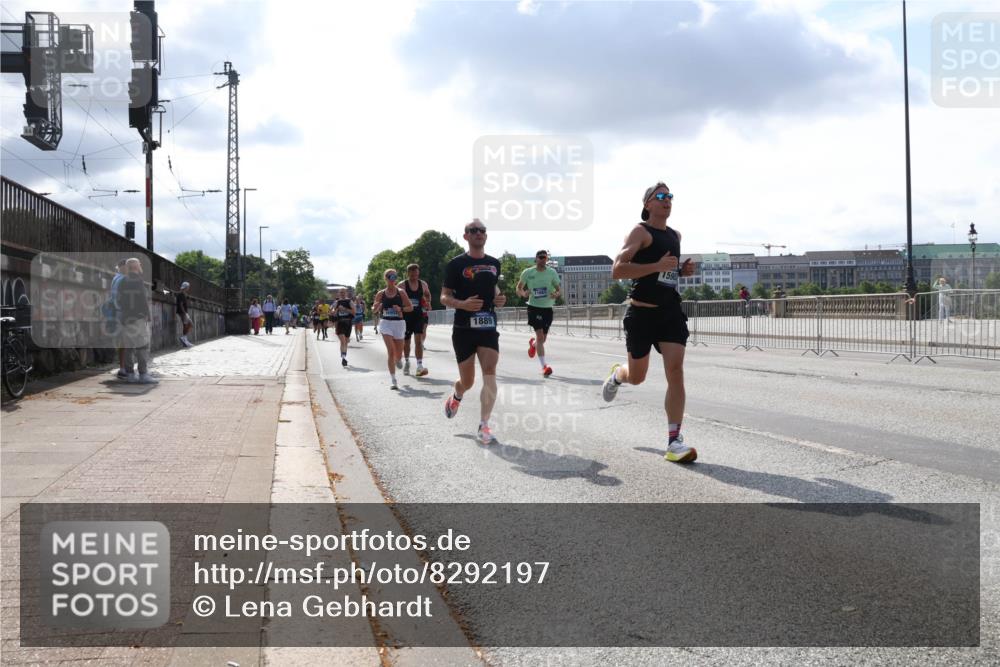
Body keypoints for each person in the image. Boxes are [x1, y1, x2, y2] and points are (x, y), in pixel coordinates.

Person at [601, 182, 697, 464]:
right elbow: (617, 270)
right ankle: (619, 374)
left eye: (670, 196)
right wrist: (657, 266)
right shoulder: (640, 231)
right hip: (641, 314)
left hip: (670, 312)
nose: (667, 201)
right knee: (638, 376)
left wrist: (682, 270)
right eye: (661, 196)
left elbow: (668, 272)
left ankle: (674, 441)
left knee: (676, 370)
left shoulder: (675, 235)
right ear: (647, 205)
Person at [441, 219, 507, 444]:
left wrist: (499, 298)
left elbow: (493, 288)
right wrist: (462, 304)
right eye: (473, 230)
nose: (478, 233)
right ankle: (457, 395)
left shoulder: (494, 263)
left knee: (490, 370)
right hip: (463, 329)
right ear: (466, 236)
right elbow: (444, 296)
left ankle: (484, 425)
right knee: (467, 381)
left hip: (488, 325)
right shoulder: (456, 264)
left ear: (486, 236)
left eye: (482, 230)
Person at [516, 249, 561, 377]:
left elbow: (559, 290)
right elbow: (519, 287)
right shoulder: (528, 272)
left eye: (545, 257)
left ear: (547, 259)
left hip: (547, 308)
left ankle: (533, 345)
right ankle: (544, 366)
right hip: (534, 307)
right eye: (540, 257)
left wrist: (556, 294)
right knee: (540, 336)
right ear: (536, 259)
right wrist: (523, 293)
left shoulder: (552, 272)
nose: (542, 259)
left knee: (543, 339)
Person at [117, 258, 158, 384]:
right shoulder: (138, 280)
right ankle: (143, 374)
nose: (141, 266)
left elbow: (119, 299)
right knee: (142, 346)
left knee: (129, 347)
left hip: (126, 318)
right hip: (138, 318)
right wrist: (147, 314)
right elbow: (142, 299)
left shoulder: (122, 281)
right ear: (135, 266)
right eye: (140, 264)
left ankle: (130, 374)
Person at [373, 269, 413, 389]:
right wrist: (377, 307)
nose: (393, 279)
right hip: (386, 323)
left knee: (398, 354)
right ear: (386, 278)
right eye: (390, 276)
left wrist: (400, 309)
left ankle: (398, 359)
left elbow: (410, 307)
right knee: (390, 351)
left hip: (399, 324)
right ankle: (393, 380)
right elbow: (374, 309)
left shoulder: (401, 292)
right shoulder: (381, 294)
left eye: (395, 276)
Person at [402, 263, 431, 377]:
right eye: (412, 275)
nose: (415, 277)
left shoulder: (423, 284)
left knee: (418, 341)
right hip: (406, 316)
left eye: (416, 274)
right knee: (407, 342)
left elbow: (428, 294)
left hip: (419, 315)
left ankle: (419, 365)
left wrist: (428, 302)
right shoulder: (402, 285)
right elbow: (397, 298)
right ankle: (407, 361)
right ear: (408, 273)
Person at [104, 258, 130, 379]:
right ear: (122, 266)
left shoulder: (116, 278)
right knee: (125, 341)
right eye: (127, 266)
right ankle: (124, 368)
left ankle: (123, 367)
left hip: (116, 312)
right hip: (122, 312)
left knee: (122, 341)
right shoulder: (122, 278)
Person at [333, 288, 355, 367]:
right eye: (340, 292)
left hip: (348, 323)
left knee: (346, 341)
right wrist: (335, 311)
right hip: (340, 323)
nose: (342, 294)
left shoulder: (350, 301)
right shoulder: (337, 302)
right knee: (343, 341)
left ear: (346, 293)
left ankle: (344, 355)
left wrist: (344, 309)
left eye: (343, 292)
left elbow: (354, 312)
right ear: (339, 293)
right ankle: (343, 358)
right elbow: (332, 312)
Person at [176, 281, 194, 347]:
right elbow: (181, 305)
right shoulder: (181, 294)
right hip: (182, 312)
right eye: (188, 287)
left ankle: (185, 340)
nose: (188, 288)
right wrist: (184, 313)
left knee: (187, 325)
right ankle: (184, 338)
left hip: (183, 312)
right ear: (186, 287)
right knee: (189, 324)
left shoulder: (183, 294)